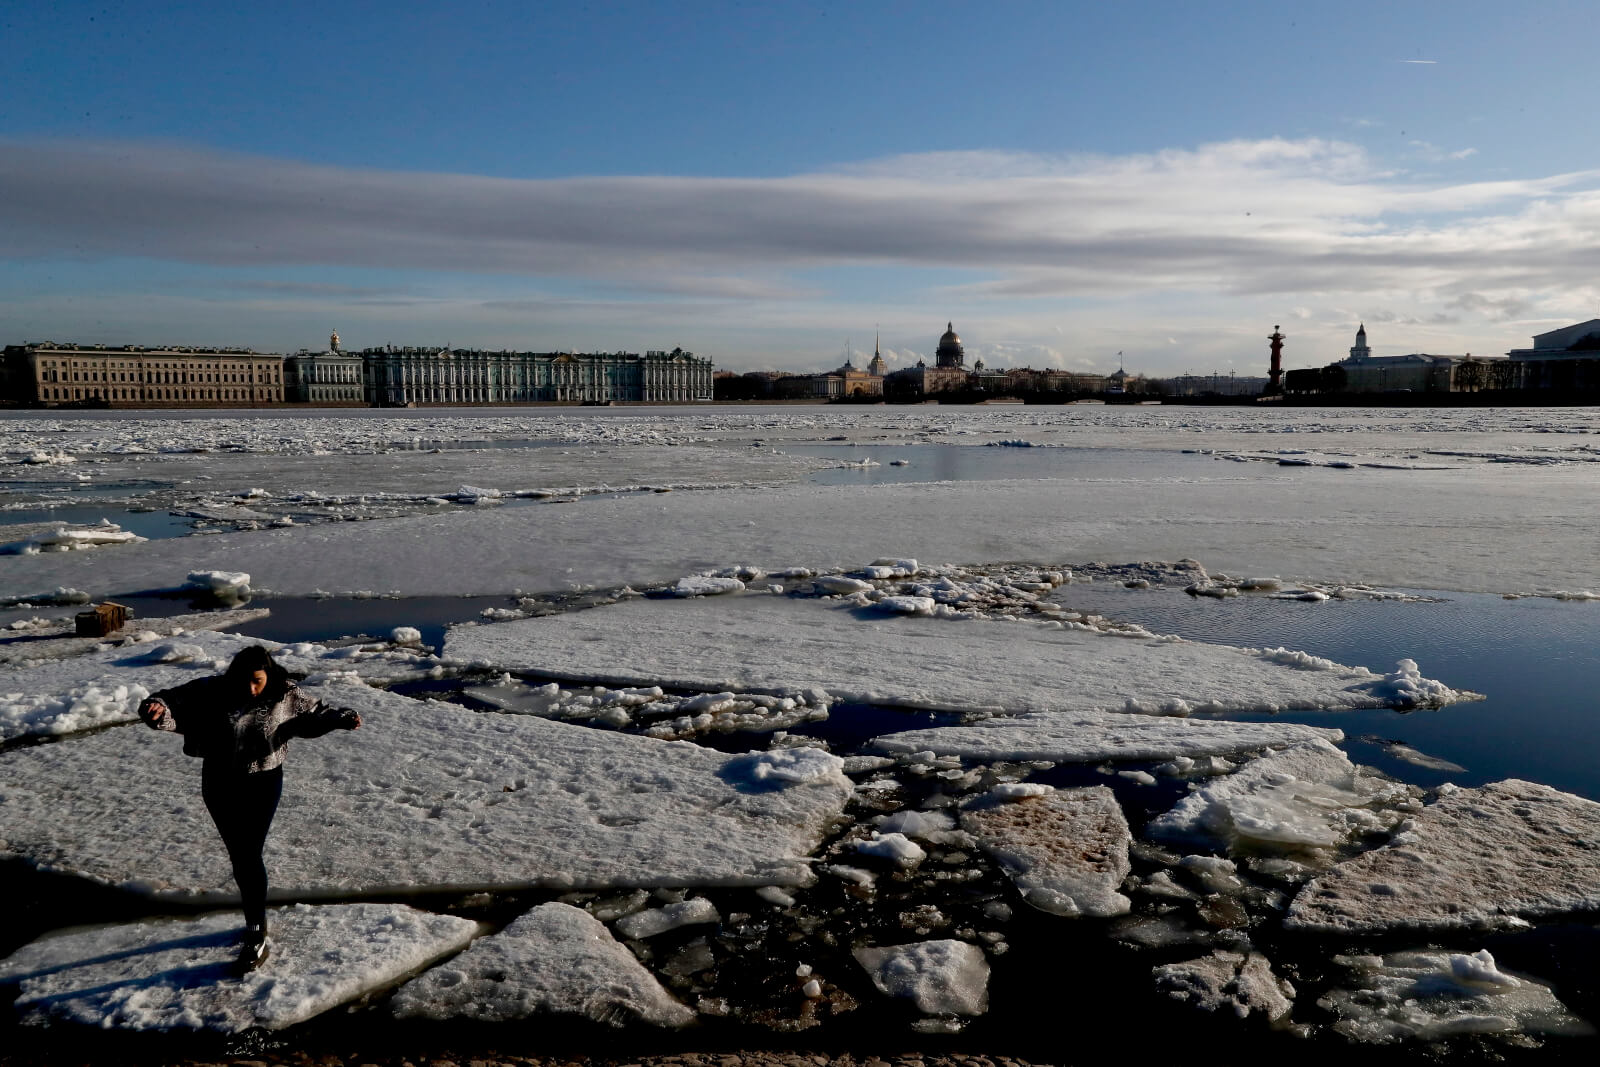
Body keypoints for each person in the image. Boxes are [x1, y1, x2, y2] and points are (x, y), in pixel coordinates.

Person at [138, 645, 361, 973]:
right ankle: (255, 921)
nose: (250, 688)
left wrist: (342, 718)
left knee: (247, 854)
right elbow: (173, 699)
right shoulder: (213, 690)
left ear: (268, 675)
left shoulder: (285, 695)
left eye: (256, 681)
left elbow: (314, 714)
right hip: (219, 782)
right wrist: (155, 706)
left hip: (263, 782)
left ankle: (256, 930)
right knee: (240, 855)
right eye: (244, 680)